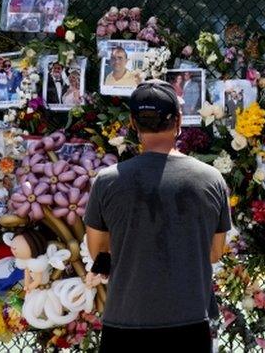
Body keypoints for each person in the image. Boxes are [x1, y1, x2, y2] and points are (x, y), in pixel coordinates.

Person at [84, 80, 231, 352]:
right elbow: (215, 252)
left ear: (133, 122)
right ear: (178, 120)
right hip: (189, 321)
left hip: (125, 321)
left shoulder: (107, 181)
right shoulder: (211, 179)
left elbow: (99, 252)